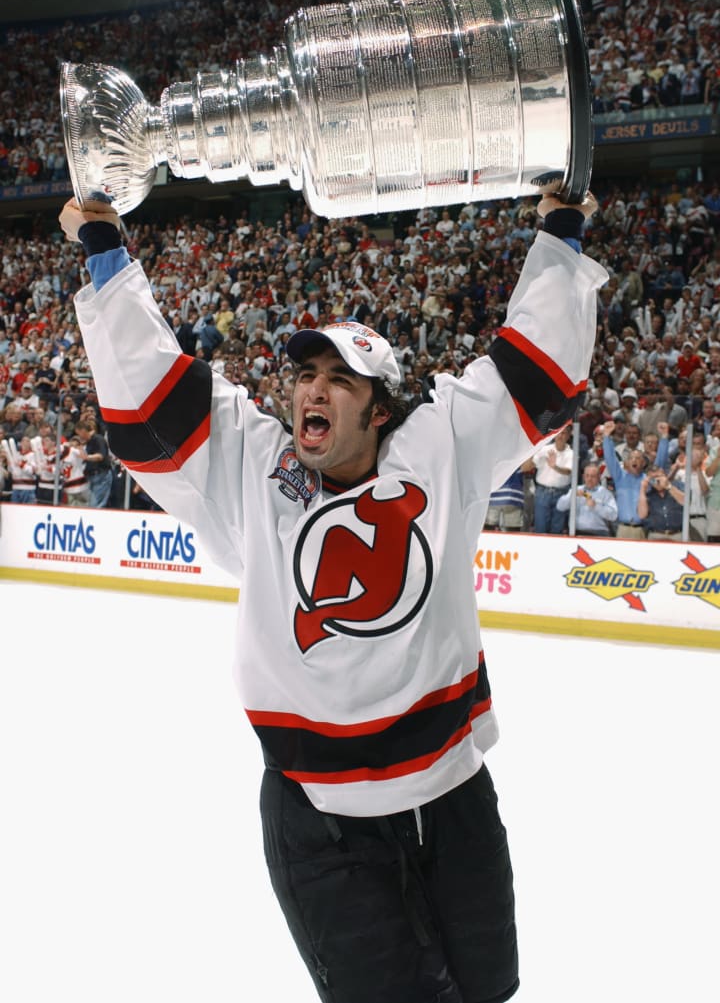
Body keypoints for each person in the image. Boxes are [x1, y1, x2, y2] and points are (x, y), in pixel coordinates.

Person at [60, 188, 605, 1003]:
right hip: (321, 819)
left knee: (490, 989)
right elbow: (149, 406)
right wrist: (105, 242)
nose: (314, 391)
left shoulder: (438, 448)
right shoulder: (254, 463)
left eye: (341, 380)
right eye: (306, 374)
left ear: (381, 410)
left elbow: (539, 374)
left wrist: (561, 227)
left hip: (451, 792)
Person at [530, 426, 573, 534]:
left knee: (557, 529)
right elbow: (531, 464)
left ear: (568, 436)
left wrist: (555, 467)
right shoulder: (545, 449)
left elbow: (568, 471)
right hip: (542, 492)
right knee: (540, 528)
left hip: (561, 494)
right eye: (559, 433)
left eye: (564, 433)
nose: (561, 436)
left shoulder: (571, 453)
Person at [556, 463, 618, 537]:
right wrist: (571, 497)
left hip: (598, 533)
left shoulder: (605, 493)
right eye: (587, 476)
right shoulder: (576, 489)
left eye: (593, 476)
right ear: (583, 476)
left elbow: (613, 515)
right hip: (575, 532)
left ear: (599, 477)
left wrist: (596, 506)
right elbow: (559, 506)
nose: (589, 479)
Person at [637, 465, 685, 541]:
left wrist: (668, 486)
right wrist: (642, 489)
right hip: (655, 535)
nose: (657, 481)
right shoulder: (648, 493)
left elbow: (685, 502)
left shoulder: (678, 486)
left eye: (659, 477)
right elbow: (642, 515)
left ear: (665, 475)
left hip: (678, 535)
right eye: (653, 479)